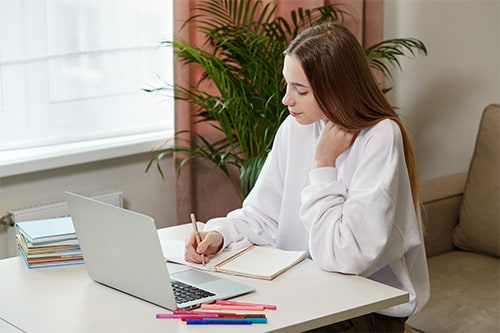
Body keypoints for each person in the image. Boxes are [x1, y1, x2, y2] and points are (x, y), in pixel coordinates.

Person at [184, 22, 430, 332]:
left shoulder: (380, 137)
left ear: (336, 88)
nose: (287, 99)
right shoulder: (294, 127)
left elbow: (346, 257)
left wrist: (323, 163)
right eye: (287, 85)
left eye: (301, 90)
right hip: (306, 291)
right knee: (209, 318)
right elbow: (263, 214)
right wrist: (219, 235)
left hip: (366, 309)